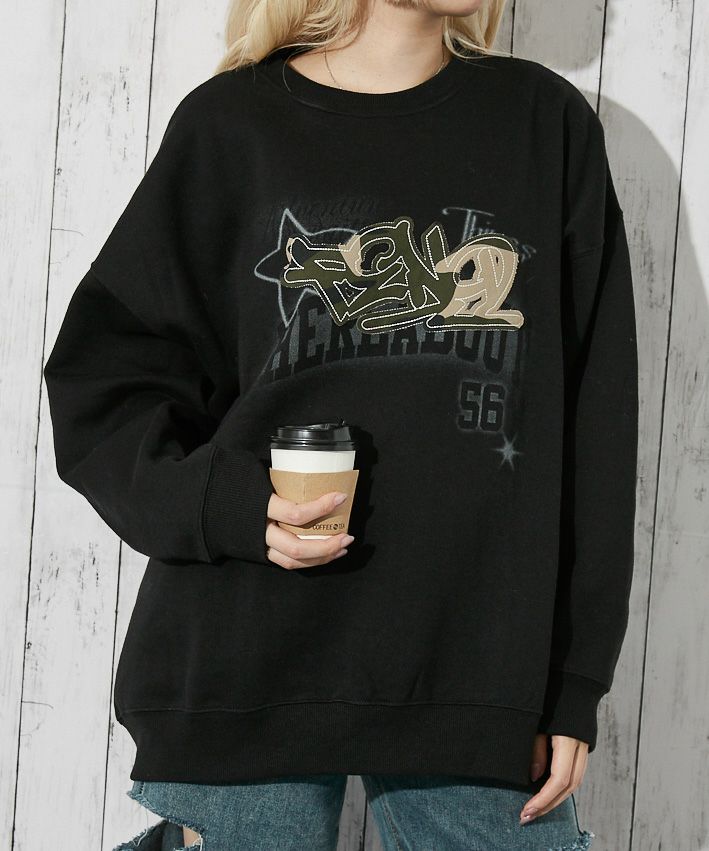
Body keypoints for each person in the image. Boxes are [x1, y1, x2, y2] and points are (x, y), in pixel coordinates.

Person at [42, 0, 639, 848]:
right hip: (246, 655)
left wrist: (574, 680)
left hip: (474, 668)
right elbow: (105, 379)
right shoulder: (231, 125)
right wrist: (226, 505)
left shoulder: (541, 124)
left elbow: (598, 425)